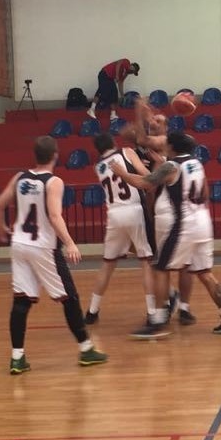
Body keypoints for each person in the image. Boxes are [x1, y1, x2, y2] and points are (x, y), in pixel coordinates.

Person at [0, 136, 107, 374]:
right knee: (69, 298)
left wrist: (1, 227)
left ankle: (17, 357)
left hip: (20, 245)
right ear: (55, 154)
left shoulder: (19, 177)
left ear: (35, 155)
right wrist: (71, 243)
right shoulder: (53, 182)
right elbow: (54, 216)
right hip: (43, 246)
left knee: (21, 301)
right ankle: (86, 350)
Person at [112, 132, 221, 338]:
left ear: (172, 147)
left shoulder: (171, 166)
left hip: (185, 224)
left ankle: (158, 321)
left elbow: (146, 183)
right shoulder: (197, 164)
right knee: (205, 273)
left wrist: (122, 173)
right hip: (203, 222)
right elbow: (205, 193)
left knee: (160, 268)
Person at [85, 133, 157, 325]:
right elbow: (148, 177)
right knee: (146, 262)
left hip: (114, 213)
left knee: (107, 265)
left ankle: (92, 311)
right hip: (133, 210)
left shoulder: (98, 166)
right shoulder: (126, 152)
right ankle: (152, 312)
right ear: (113, 142)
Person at [89, 58, 140, 125]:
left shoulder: (126, 73)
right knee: (103, 91)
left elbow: (120, 83)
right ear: (132, 67)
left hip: (110, 78)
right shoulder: (126, 62)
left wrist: (122, 95)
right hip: (104, 73)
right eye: (133, 71)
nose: (132, 73)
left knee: (113, 93)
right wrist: (116, 76)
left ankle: (113, 114)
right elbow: (118, 64)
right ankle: (92, 109)